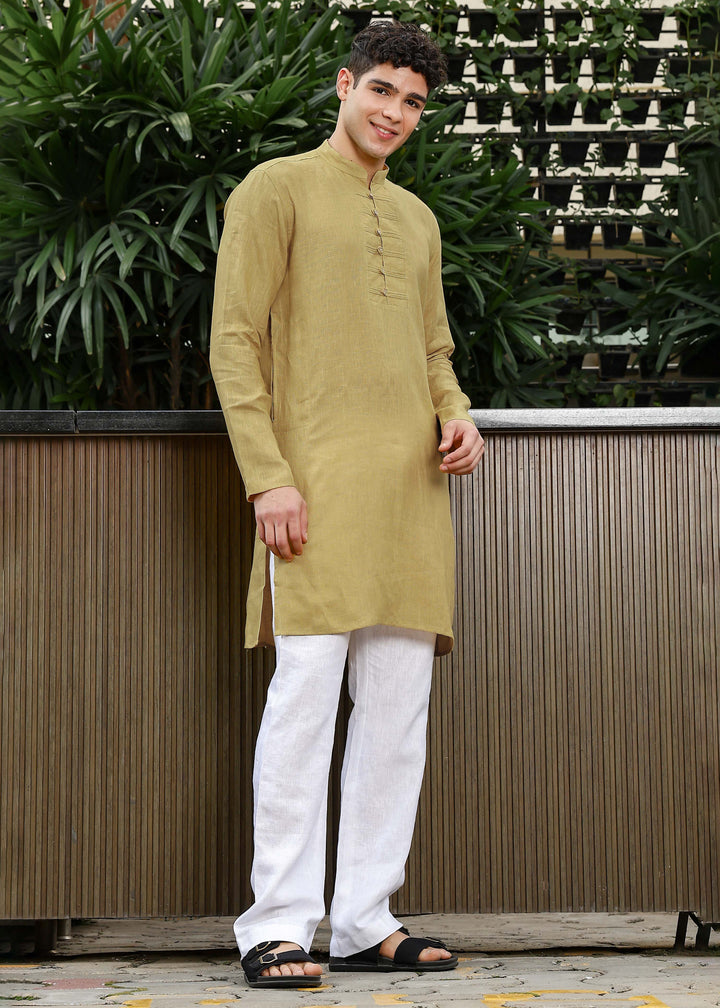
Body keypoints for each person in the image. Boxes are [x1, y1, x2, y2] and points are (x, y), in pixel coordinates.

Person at [210, 18, 485, 990]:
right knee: (304, 705)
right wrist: (267, 476)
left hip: (410, 495)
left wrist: (457, 414)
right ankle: (275, 924)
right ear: (345, 84)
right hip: (312, 490)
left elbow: (434, 349)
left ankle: (366, 918)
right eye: (382, 91)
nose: (395, 113)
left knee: (397, 715)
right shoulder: (275, 189)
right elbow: (235, 341)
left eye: (413, 102)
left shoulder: (417, 221)